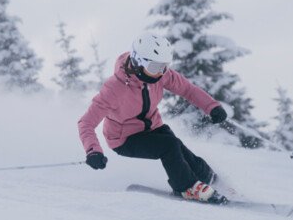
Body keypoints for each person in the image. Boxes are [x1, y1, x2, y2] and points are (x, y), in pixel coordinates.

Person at [77, 34, 230, 203]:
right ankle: (186, 188)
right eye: (154, 67)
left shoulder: (160, 75)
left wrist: (212, 107)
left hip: (152, 127)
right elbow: (86, 123)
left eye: (164, 66)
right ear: (137, 62)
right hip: (125, 138)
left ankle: (208, 178)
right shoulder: (115, 88)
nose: (159, 73)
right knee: (169, 146)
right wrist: (93, 151)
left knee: (177, 145)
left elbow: (187, 89)